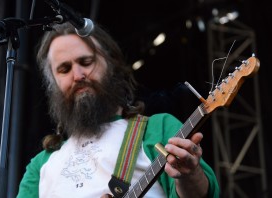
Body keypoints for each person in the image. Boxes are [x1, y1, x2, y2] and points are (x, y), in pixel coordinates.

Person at [17, 21, 220, 198]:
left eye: (86, 62)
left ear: (111, 63)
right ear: (53, 83)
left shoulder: (157, 129)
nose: (77, 75)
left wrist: (190, 176)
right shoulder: (41, 165)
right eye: (64, 69)